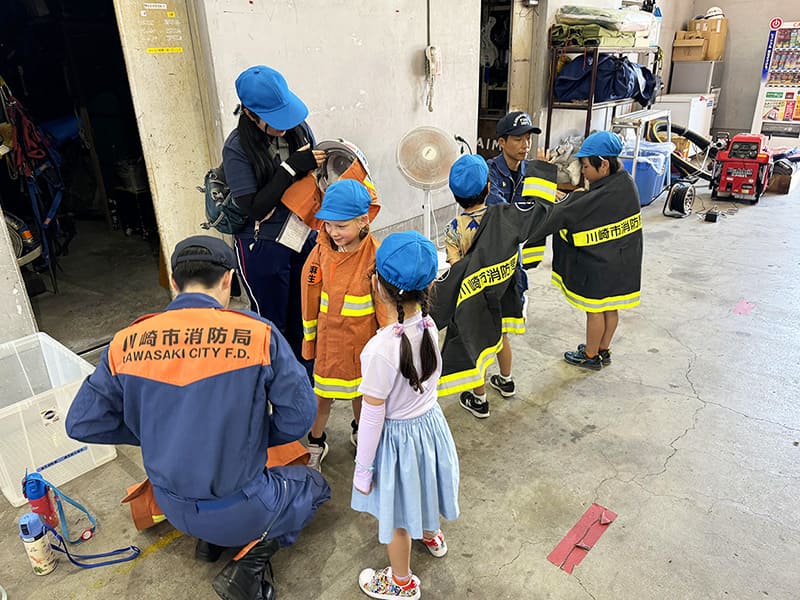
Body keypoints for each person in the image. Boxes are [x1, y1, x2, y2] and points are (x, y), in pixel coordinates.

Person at [65, 235, 331, 600]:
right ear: (228, 279)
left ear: (173, 283)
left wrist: (152, 432)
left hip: (172, 505)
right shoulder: (257, 335)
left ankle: (208, 542)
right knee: (315, 487)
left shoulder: (125, 342)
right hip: (243, 507)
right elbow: (300, 417)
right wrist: (253, 439)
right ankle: (248, 564)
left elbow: (81, 422)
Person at [351, 231, 460, 600]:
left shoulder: (379, 350)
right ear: (430, 285)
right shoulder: (429, 326)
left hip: (398, 442)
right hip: (431, 429)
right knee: (426, 485)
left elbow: (371, 417)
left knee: (395, 516)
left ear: (379, 287)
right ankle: (431, 533)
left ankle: (401, 581)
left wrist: (363, 469)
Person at [432, 154, 559, 415]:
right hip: (503, 291)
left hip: (474, 297)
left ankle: (479, 399)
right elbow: (537, 210)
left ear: (454, 195)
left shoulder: (453, 229)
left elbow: (456, 269)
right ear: (489, 187)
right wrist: (541, 168)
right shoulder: (505, 217)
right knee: (501, 336)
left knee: (475, 346)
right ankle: (506, 379)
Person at [222, 65, 326, 377]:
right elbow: (255, 207)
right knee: (273, 322)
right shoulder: (237, 147)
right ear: (251, 114)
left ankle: (305, 381)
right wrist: (290, 169)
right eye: (274, 119)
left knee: (304, 313)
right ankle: (278, 385)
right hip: (263, 245)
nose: (284, 126)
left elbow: (315, 176)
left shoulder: (298, 128)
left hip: (302, 233)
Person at [300, 179, 386, 471]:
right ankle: (315, 442)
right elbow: (309, 295)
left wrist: (388, 346)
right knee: (321, 397)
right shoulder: (320, 252)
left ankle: (364, 437)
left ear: (363, 220)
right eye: (328, 225)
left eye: (341, 226)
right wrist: (309, 339)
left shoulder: (376, 256)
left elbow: (384, 306)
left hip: (363, 345)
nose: (333, 232)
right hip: (328, 342)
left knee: (362, 395)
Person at [553, 131, 643, 370]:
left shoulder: (604, 194)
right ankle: (603, 349)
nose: (583, 171)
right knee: (610, 306)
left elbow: (576, 216)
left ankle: (590, 355)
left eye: (585, 166)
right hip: (622, 260)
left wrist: (565, 202)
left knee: (594, 310)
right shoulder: (624, 183)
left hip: (602, 262)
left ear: (603, 164)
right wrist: (582, 195)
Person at [487, 111, 547, 330]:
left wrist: (545, 176)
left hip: (520, 245)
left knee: (515, 291)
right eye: (518, 139)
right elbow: (502, 212)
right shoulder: (490, 171)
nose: (526, 145)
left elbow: (545, 211)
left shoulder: (532, 171)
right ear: (501, 142)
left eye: (528, 138)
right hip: (495, 245)